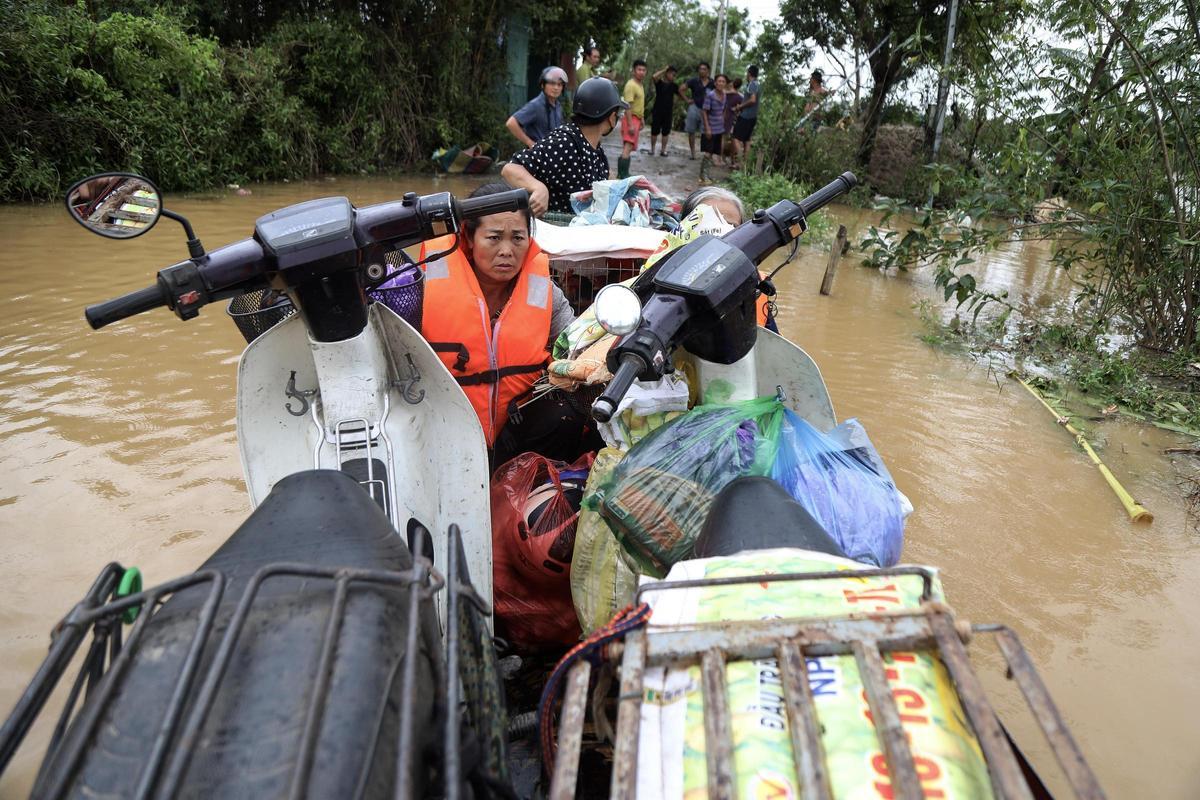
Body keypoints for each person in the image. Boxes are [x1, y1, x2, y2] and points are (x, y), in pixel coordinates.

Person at [418, 183, 575, 448]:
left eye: (517, 238)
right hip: (443, 426)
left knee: (565, 416)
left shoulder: (545, 294)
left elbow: (576, 345)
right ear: (468, 238)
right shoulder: (423, 289)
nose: (506, 250)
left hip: (514, 427)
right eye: (493, 238)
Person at [502, 77, 628, 217]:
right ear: (611, 117)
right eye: (619, 114)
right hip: (553, 231)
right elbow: (510, 169)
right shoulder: (564, 143)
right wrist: (538, 188)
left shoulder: (594, 147)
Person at [506, 67, 568, 147]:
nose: (556, 88)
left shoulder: (558, 106)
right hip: (538, 155)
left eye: (559, 84)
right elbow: (511, 123)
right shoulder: (536, 105)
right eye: (552, 83)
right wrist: (530, 143)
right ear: (543, 85)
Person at [618, 60, 647, 179]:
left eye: (644, 70)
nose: (641, 72)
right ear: (634, 70)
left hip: (637, 118)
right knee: (628, 146)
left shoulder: (639, 85)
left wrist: (642, 118)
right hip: (631, 118)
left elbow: (639, 104)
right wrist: (630, 124)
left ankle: (624, 173)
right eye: (639, 69)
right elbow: (628, 105)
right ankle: (622, 174)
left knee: (628, 147)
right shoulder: (631, 85)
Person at [678, 62, 711, 160]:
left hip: (707, 110)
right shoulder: (694, 81)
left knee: (705, 132)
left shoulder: (712, 82)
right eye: (700, 69)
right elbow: (681, 89)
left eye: (704, 69)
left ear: (708, 71)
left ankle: (705, 153)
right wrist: (687, 100)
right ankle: (693, 153)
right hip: (694, 107)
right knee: (691, 131)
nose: (702, 71)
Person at [700, 73, 730, 183]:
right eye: (719, 81)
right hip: (710, 128)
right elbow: (704, 111)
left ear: (725, 84)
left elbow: (724, 109)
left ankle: (705, 175)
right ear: (715, 83)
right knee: (708, 152)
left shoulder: (725, 95)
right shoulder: (710, 95)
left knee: (712, 152)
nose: (721, 83)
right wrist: (707, 128)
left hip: (719, 128)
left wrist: (722, 118)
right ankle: (703, 176)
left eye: (723, 81)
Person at [732, 64, 760, 166]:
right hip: (753, 116)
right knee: (746, 140)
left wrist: (740, 107)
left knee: (735, 138)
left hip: (746, 116)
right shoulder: (757, 84)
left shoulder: (752, 84)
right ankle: (745, 165)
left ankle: (741, 163)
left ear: (749, 73)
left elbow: (752, 100)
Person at [649, 65, 678, 156]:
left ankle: (663, 150)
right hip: (657, 110)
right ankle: (652, 149)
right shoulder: (660, 83)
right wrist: (664, 69)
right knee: (654, 131)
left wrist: (675, 103)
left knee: (666, 132)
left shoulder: (674, 86)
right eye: (672, 74)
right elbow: (654, 76)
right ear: (667, 74)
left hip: (668, 112)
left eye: (675, 75)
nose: (673, 77)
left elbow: (679, 94)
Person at [722, 77, 743, 167]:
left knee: (723, 138)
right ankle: (732, 160)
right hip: (733, 120)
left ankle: (721, 158)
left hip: (725, 118)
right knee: (733, 140)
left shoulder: (724, 93)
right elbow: (741, 108)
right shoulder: (740, 96)